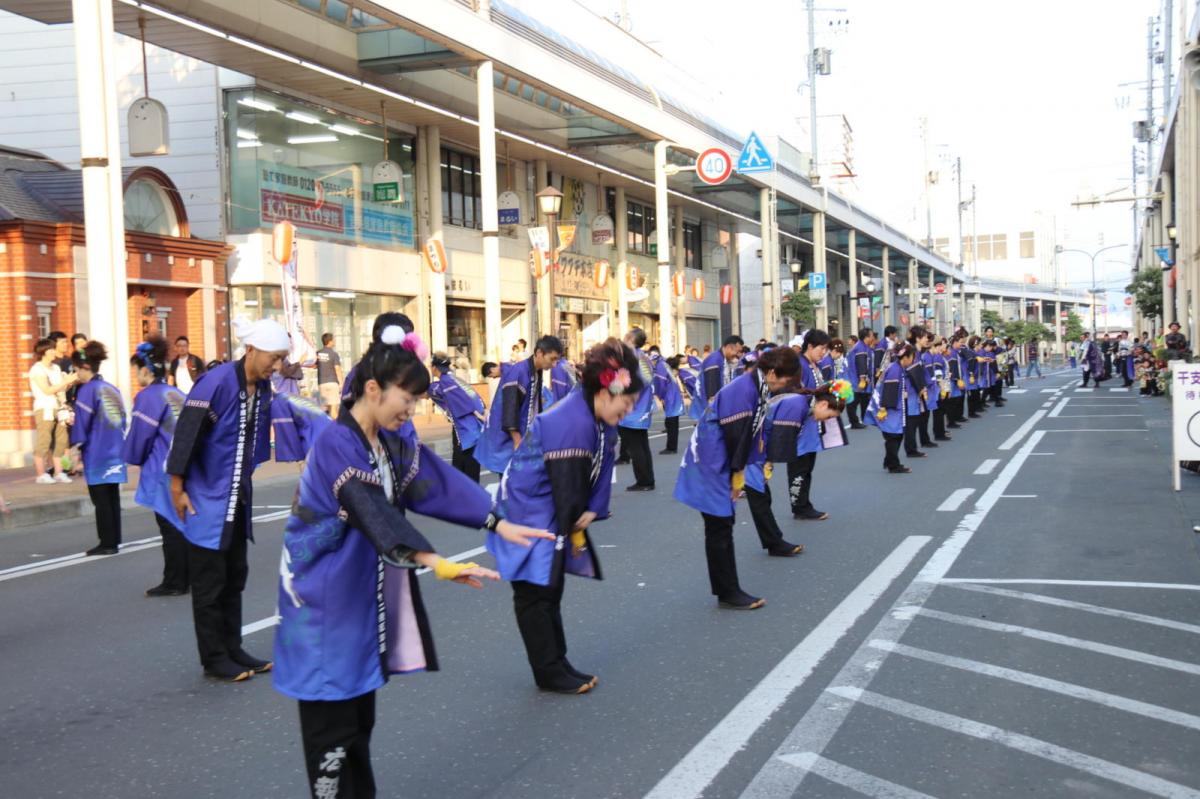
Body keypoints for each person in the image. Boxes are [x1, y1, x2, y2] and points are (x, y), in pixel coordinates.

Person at [273, 329, 551, 796]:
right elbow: (369, 508)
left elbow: (435, 483)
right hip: (320, 605)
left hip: (355, 599)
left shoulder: (388, 442)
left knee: (358, 725)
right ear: (373, 389)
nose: (413, 410)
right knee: (332, 736)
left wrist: (497, 522)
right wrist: (434, 560)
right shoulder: (336, 443)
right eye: (408, 399)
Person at [490, 339, 641, 694]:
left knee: (549, 589)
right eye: (627, 402)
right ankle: (548, 671)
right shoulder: (570, 421)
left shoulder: (592, 414)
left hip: (543, 508)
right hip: (526, 513)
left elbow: (601, 462)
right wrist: (578, 517)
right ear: (604, 392)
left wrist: (591, 509)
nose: (629, 410)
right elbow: (568, 485)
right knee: (535, 593)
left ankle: (557, 662)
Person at [167, 317, 289, 682]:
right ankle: (214, 658)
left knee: (235, 576)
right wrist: (177, 487)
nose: (276, 365)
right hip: (206, 496)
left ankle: (234, 648)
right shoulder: (215, 382)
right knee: (210, 581)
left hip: (237, 495)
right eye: (273, 357)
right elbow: (187, 432)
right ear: (251, 350)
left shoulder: (262, 388)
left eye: (281, 358)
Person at [673, 346, 801, 610]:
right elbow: (736, 439)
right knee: (719, 525)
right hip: (712, 459)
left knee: (722, 523)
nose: (784, 386)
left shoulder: (756, 385)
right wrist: (736, 477)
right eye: (785, 380)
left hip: (721, 457)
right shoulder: (744, 390)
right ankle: (728, 591)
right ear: (773, 372)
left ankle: (726, 588)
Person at [124, 337, 190, 596]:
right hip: (183, 465)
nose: (136, 376)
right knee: (181, 522)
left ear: (145, 369)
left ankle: (175, 581)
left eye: (136, 370)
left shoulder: (148, 397)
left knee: (169, 525)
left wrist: (133, 456)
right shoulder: (176, 393)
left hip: (162, 467)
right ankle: (184, 577)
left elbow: (141, 437)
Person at [750, 387, 844, 556]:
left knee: (761, 496)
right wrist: (768, 464)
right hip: (749, 446)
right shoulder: (797, 406)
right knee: (759, 497)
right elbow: (781, 439)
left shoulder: (804, 404)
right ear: (823, 404)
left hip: (755, 445)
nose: (827, 420)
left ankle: (774, 542)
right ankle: (775, 543)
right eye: (829, 416)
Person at [68, 342, 128, 556]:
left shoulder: (87, 390)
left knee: (101, 499)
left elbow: (82, 423)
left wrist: (75, 446)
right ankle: (114, 539)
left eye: (76, 369)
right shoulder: (111, 388)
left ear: (85, 367)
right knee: (112, 497)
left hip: (97, 451)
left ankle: (107, 543)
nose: (76, 373)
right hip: (115, 449)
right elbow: (123, 419)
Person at [475, 335, 563, 474]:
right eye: (552, 359)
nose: (554, 365)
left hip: (523, 437)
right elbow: (509, 410)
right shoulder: (519, 371)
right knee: (511, 481)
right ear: (539, 353)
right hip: (510, 440)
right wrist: (517, 442)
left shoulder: (535, 370)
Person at [790, 329, 832, 521]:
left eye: (825, 349)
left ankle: (804, 504)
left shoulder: (812, 365)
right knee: (799, 469)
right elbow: (795, 395)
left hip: (810, 425)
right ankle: (800, 507)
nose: (823, 353)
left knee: (807, 468)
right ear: (810, 346)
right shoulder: (800, 366)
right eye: (821, 348)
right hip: (799, 426)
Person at [428, 352, 485, 482]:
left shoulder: (446, 382)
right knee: (469, 472)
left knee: (463, 474)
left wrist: (476, 413)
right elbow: (474, 397)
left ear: (434, 367)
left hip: (465, 432)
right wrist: (480, 412)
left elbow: (465, 403)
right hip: (472, 430)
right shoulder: (454, 379)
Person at [29, 337, 77, 484]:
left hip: (59, 408)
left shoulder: (56, 368)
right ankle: (41, 474)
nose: (53, 351)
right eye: (50, 349)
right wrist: (65, 382)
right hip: (45, 408)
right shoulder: (37, 369)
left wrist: (69, 383)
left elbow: (61, 388)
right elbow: (47, 390)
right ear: (43, 352)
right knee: (44, 441)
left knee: (62, 441)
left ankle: (59, 472)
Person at [866, 343, 917, 474]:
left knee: (895, 436)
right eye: (912, 356)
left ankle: (889, 461)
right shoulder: (895, 369)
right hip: (890, 409)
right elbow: (889, 390)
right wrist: (883, 408)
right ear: (906, 357)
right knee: (894, 436)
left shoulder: (897, 367)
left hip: (894, 407)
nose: (913, 359)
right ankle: (893, 465)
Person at [617, 328, 658, 491]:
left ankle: (644, 481)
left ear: (630, 339)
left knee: (635, 447)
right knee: (642, 445)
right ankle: (648, 479)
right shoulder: (643, 357)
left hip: (632, 409)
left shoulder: (630, 357)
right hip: (642, 407)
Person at [651, 346, 684, 454]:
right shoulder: (664, 364)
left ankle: (671, 447)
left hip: (670, 398)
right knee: (672, 423)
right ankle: (672, 447)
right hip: (673, 397)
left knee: (671, 423)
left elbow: (661, 384)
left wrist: (659, 396)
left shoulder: (660, 365)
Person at [700, 335, 744, 405]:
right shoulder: (714, 362)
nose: (738, 355)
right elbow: (712, 397)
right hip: (705, 408)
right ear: (729, 347)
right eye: (737, 351)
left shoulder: (724, 360)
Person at [846, 328, 877, 429]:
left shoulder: (864, 346)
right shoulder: (860, 348)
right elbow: (861, 363)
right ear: (866, 337)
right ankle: (854, 422)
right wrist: (862, 379)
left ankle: (865, 418)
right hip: (856, 379)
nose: (873, 337)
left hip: (859, 379)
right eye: (871, 335)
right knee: (853, 401)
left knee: (864, 398)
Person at [315, 333, 344, 418]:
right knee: (334, 410)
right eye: (333, 340)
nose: (334, 341)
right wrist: (341, 383)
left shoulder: (318, 353)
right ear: (330, 341)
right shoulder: (333, 354)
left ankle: (325, 425)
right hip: (332, 383)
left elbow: (313, 365)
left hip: (321, 384)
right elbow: (337, 369)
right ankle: (335, 426)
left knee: (325, 409)